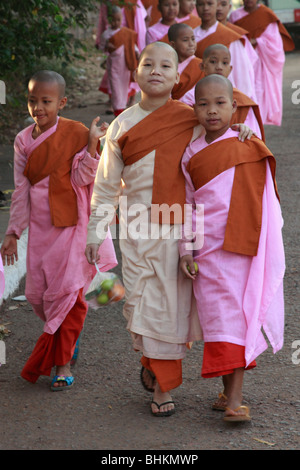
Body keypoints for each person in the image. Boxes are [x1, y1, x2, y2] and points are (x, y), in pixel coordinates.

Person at [85, 42, 254, 417]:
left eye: (166, 65)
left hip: (177, 229)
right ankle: (151, 360)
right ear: (135, 73)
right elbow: (106, 185)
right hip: (135, 229)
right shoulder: (122, 124)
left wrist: (241, 130)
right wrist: (95, 231)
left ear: (178, 77)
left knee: (169, 309)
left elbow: (219, 133)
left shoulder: (189, 117)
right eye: (148, 64)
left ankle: (163, 386)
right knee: (139, 304)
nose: (156, 70)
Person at [0, 70, 117, 390]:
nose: (38, 107)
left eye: (46, 101)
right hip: (40, 230)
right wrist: (13, 232)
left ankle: (62, 363)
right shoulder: (23, 140)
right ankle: (69, 334)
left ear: (61, 103)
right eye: (32, 100)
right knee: (40, 296)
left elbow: (82, 178)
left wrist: (93, 145)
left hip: (71, 227)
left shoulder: (76, 133)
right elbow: (21, 189)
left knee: (67, 294)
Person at [179, 74, 285, 421]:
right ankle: (228, 392)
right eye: (203, 104)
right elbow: (188, 204)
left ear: (234, 106)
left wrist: (249, 135)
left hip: (241, 248)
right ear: (193, 108)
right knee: (217, 320)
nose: (212, 111)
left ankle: (236, 401)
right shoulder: (190, 152)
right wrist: (186, 250)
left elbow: (265, 197)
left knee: (235, 319)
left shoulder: (245, 142)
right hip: (207, 252)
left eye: (220, 103)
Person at [229, 0, 295, 126]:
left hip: (261, 62)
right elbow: (232, 37)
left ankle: (258, 121)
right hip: (243, 61)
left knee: (259, 92)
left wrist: (256, 41)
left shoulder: (266, 14)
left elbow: (275, 44)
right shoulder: (235, 15)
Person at [193, 0, 256, 100]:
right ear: (195, 7)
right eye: (201, 4)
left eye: (209, 4)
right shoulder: (192, 36)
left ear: (216, 5)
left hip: (225, 97)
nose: (205, 8)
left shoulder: (230, 37)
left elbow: (241, 76)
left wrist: (241, 100)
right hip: (198, 96)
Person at [200, 43, 265, 140]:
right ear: (202, 66)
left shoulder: (242, 101)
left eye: (225, 63)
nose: (219, 67)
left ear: (230, 69)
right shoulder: (191, 96)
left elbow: (252, 134)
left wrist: (243, 129)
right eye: (213, 62)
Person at [100, 6, 139, 116]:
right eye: (113, 20)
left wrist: (136, 52)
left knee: (123, 88)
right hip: (113, 66)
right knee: (116, 90)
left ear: (122, 19)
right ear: (108, 20)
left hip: (126, 65)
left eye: (118, 20)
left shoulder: (126, 32)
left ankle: (122, 110)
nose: (116, 22)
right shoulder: (106, 34)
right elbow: (102, 48)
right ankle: (118, 111)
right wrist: (107, 46)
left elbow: (132, 44)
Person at [168, 23, 205, 106]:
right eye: (185, 40)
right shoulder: (167, 66)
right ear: (173, 45)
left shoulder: (202, 66)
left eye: (193, 39)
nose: (191, 43)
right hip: (172, 110)